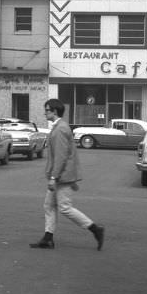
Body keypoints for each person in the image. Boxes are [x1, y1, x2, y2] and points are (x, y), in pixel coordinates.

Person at [30, 98, 105, 251]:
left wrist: (53, 178)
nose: (45, 113)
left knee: (64, 207)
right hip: (63, 175)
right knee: (49, 205)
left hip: (61, 176)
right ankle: (48, 238)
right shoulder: (61, 127)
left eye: (47, 110)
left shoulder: (60, 129)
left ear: (55, 111)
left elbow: (61, 156)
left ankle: (95, 229)